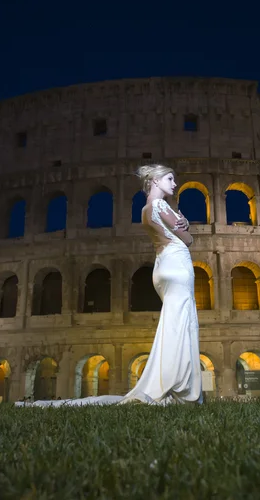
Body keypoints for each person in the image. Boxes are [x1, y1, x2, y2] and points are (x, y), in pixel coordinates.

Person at [17, 164, 203, 407]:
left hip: (162, 265)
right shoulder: (160, 205)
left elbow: (179, 227)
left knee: (173, 323)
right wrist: (185, 227)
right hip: (177, 264)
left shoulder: (146, 209)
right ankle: (179, 384)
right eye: (170, 179)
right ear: (155, 181)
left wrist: (182, 225)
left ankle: (172, 379)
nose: (174, 184)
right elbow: (187, 237)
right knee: (181, 322)